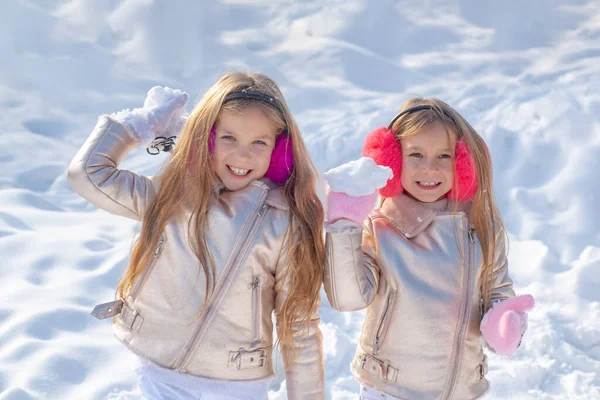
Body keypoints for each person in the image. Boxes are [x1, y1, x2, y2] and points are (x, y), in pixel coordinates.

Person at [68, 72, 325, 400]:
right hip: (161, 377)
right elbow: (88, 174)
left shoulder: (285, 222)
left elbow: (299, 323)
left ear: (280, 151)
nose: (242, 155)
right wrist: (139, 126)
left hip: (237, 387)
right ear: (206, 137)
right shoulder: (174, 194)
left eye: (259, 142)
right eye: (228, 137)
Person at [323, 98, 535, 400]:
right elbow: (348, 298)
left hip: (463, 390)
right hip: (388, 388)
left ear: (463, 162)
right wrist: (344, 227)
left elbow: (497, 289)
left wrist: (502, 321)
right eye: (416, 155)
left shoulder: (480, 227)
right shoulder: (381, 228)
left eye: (444, 156)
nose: (429, 169)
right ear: (392, 160)